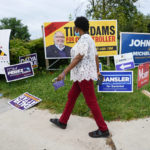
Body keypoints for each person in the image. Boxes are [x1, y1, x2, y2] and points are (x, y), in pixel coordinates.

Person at [50, 16, 110, 138]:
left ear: (77, 28)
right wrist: (97, 72)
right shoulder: (89, 39)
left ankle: (103, 129)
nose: (74, 29)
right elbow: (96, 56)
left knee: (91, 101)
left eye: (74, 27)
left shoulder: (84, 39)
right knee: (71, 96)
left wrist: (64, 72)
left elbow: (79, 57)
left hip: (84, 75)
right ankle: (63, 121)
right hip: (80, 76)